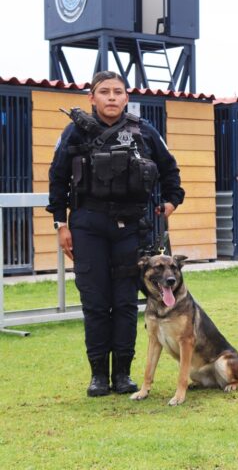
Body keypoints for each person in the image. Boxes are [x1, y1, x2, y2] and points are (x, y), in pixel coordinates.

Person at [47, 71, 185, 396]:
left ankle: (123, 374)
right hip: (87, 225)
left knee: (124, 303)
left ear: (127, 97)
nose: (111, 97)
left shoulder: (143, 131)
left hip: (131, 229)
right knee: (95, 302)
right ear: (91, 98)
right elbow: (57, 177)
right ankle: (98, 376)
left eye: (118, 92)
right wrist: (60, 223)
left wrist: (171, 201)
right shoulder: (73, 133)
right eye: (104, 91)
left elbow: (169, 169)